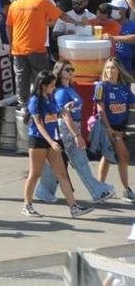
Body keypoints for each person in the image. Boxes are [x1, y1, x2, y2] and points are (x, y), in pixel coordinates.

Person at [35, 60, 113, 203]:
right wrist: (77, 135)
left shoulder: (70, 88)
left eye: (72, 69)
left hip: (73, 126)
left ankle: (97, 192)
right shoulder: (61, 92)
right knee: (58, 162)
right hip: (65, 129)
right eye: (67, 70)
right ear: (59, 72)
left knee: (79, 162)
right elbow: (65, 115)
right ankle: (44, 190)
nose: (71, 72)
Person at [22, 71, 91, 218]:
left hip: (53, 140)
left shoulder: (51, 96)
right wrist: (51, 142)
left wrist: (65, 109)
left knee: (62, 174)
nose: (54, 88)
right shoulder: (35, 100)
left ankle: (74, 207)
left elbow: (55, 114)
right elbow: (39, 124)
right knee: (35, 174)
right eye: (52, 85)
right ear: (43, 85)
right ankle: (27, 205)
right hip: (38, 141)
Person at [7, 0, 72, 103]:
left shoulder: (14, 4)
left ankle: (23, 105)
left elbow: (8, 27)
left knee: (21, 78)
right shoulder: (42, 1)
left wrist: (11, 45)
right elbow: (62, 16)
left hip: (18, 49)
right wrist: (77, 22)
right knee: (41, 77)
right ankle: (41, 102)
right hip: (36, 49)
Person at [95, 57, 135, 200]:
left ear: (119, 70)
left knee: (107, 157)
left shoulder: (124, 87)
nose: (109, 70)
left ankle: (100, 189)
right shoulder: (101, 86)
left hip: (121, 127)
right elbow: (100, 108)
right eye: (107, 68)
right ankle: (126, 190)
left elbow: (132, 104)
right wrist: (108, 128)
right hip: (109, 128)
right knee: (124, 156)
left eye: (113, 68)